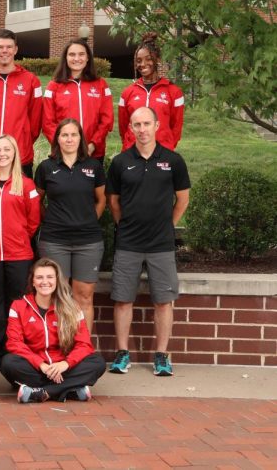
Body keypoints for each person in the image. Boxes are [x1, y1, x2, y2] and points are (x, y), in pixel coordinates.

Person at [107, 107, 190, 376]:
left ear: (156, 125)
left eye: (146, 123)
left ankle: (162, 356)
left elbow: (183, 199)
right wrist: (125, 225)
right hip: (128, 242)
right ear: (130, 128)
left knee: (163, 302)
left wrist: (168, 225)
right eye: (137, 124)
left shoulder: (173, 160)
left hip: (161, 244)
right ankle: (122, 354)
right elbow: (114, 202)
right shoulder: (120, 162)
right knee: (122, 300)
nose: (142, 129)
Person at [35, 119, 106, 333]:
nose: (69, 139)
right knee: (59, 294)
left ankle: (82, 347)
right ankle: (58, 345)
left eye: (73, 135)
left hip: (88, 241)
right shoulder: (46, 167)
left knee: (84, 295)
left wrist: (89, 220)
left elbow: (101, 200)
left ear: (80, 138)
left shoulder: (93, 166)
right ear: (57, 139)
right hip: (55, 240)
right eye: (64, 135)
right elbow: (36, 201)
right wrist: (51, 219)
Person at [2, 258, 106, 403]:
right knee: (8, 363)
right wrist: (41, 365)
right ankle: (71, 389)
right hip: (35, 368)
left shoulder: (72, 307)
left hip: (63, 368)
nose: (45, 282)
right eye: (39, 277)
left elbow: (84, 344)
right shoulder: (18, 306)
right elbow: (14, 343)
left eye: (50, 277)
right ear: (32, 281)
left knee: (98, 362)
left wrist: (66, 364)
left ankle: (43, 392)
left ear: (57, 280)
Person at [0, 135, 41, 354]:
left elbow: (33, 220)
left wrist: (19, 237)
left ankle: (17, 349)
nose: (2, 154)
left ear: (14, 153)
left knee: (17, 303)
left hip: (19, 255)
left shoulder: (26, 184)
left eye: (7, 149)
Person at [0, 29, 42, 178]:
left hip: (20, 155)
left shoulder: (31, 81)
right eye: (0, 47)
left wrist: (23, 141)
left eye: (9, 47)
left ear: (15, 49)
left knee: (19, 200)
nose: (4, 51)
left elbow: (36, 121)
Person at [42, 38, 113, 162]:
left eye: (81, 54)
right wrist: (63, 146)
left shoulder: (101, 85)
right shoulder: (53, 86)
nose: (76, 59)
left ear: (88, 58)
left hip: (93, 153)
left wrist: (93, 145)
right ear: (65, 58)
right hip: (63, 154)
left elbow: (106, 120)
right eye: (72, 54)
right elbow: (47, 123)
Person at [118, 32, 185, 151]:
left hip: (162, 155)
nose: (142, 64)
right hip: (132, 153)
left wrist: (165, 149)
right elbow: (123, 127)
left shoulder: (174, 92)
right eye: (138, 61)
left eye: (148, 59)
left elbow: (176, 128)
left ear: (157, 59)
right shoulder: (127, 93)